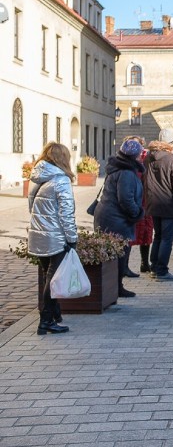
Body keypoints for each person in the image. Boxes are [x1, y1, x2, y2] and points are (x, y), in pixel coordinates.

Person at [28, 142, 78, 335]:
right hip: (55, 237)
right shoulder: (61, 180)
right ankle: (46, 321)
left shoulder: (39, 175)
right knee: (53, 278)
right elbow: (66, 214)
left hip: (38, 233)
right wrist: (72, 239)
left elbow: (31, 205)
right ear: (63, 158)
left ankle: (54, 313)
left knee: (49, 276)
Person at [94, 139, 145, 299]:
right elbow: (125, 199)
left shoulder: (119, 167)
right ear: (135, 156)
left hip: (109, 215)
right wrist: (137, 213)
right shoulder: (126, 173)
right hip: (116, 218)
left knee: (114, 252)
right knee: (119, 253)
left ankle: (113, 287)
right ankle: (116, 287)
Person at [145, 130, 173, 281]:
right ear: (170, 143)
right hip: (168, 203)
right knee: (166, 239)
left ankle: (154, 267)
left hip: (153, 203)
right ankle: (162, 271)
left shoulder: (149, 158)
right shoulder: (172, 159)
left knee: (158, 236)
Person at [128, 136, 154, 274]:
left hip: (145, 201)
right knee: (129, 233)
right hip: (131, 201)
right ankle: (125, 266)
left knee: (146, 232)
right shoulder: (125, 162)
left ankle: (145, 262)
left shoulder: (147, 159)